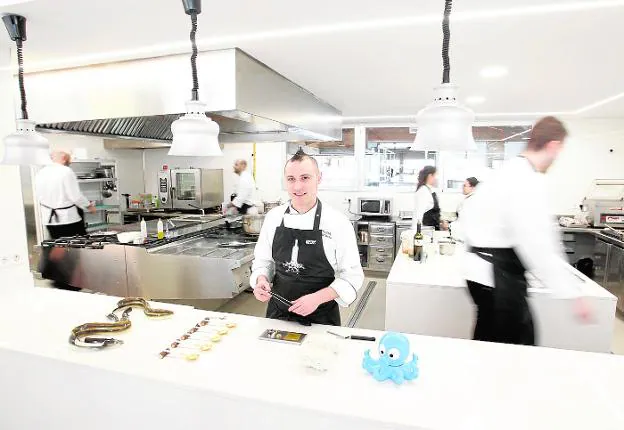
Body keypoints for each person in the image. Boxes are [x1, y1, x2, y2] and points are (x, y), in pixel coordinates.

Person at [462, 116, 591, 346]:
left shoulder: (507, 170)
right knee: (516, 349)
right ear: (554, 146)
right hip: (497, 277)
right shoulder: (526, 179)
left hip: (478, 272)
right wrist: (571, 292)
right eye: (560, 151)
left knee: (487, 344)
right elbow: (537, 242)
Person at [250, 149, 364, 326]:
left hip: (321, 317)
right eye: (291, 179)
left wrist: (317, 298)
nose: (297, 187)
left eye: (305, 178)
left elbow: (352, 276)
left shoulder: (337, 222)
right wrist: (261, 280)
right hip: (278, 314)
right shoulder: (273, 218)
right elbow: (263, 261)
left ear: (319, 178)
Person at [35, 150, 96, 290]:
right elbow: (75, 196)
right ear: (63, 159)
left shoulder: (41, 172)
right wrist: (89, 206)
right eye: (69, 159)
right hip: (68, 218)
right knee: (73, 250)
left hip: (50, 218)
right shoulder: (65, 172)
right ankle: (69, 283)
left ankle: (55, 278)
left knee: (58, 245)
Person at [413, 166, 446, 230]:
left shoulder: (430, 190)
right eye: (435, 175)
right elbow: (418, 216)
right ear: (430, 176)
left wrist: (440, 221)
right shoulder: (423, 191)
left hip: (432, 230)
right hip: (426, 232)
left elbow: (432, 212)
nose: (437, 178)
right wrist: (417, 234)